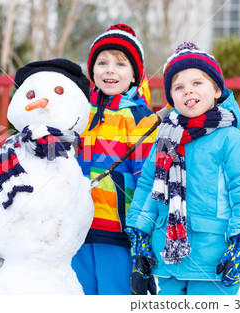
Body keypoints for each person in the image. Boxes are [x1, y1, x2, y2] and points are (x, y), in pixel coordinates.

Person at [125, 42, 240, 295]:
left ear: (217, 90)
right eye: (178, 87)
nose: (188, 90)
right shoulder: (165, 140)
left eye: (197, 83)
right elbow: (147, 188)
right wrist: (140, 234)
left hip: (214, 261)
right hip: (166, 258)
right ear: (172, 99)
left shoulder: (230, 140)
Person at [72, 24, 162, 295]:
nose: (110, 70)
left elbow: (146, 180)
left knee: (115, 294)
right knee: (80, 293)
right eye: (102, 62)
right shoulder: (78, 113)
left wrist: (141, 233)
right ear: (92, 70)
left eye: (121, 63)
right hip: (77, 227)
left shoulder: (141, 118)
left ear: (135, 74)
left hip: (119, 231)